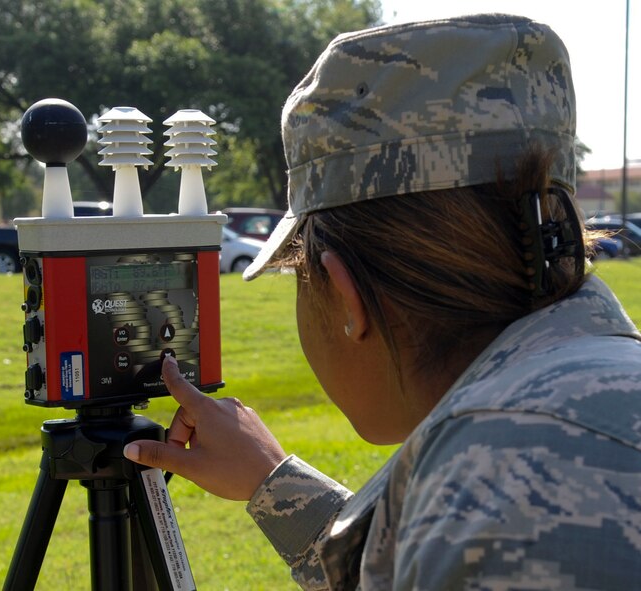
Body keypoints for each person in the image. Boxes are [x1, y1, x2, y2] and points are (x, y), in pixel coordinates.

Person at [124, 14, 641, 589]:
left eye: (299, 276)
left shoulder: (497, 485)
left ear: (345, 295)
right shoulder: (568, 420)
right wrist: (272, 482)